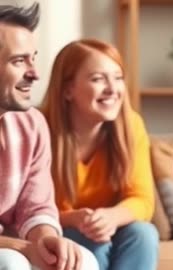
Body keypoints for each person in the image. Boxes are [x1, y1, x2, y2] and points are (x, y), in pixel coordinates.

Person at [41, 39, 159, 270]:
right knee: (95, 243)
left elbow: (143, 200)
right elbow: (25, 211)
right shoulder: (38, 129)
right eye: (98, 78)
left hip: (110, 229)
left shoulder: (131, 126)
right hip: (55, 232)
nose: (112, 89)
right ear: (67, 90)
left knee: (144, 233)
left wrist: (112, 217)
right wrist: (74, 218)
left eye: (117, 78)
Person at [0, 3, 99, 270]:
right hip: (8, 253)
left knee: (82, 261)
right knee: (11, 263)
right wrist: (24, 248)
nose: (35, 73)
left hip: (11, 244)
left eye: (33, 58)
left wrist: (48, 241)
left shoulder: (32, 124)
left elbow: (36, 207)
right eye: (19, 61)